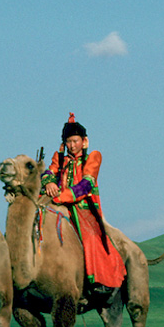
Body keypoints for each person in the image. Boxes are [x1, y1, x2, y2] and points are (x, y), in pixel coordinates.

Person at [40, 113, 126, 298]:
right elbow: (48, 172)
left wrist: (61, 196)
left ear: (84, 141)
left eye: (75, 141)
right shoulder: (59, 158)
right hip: (57, 202)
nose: (72, 146)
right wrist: (49, 183)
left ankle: (99, 280)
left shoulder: (93, 157)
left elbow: (86, 185)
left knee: (90, 236)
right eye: (68, 142)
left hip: (83, 206)